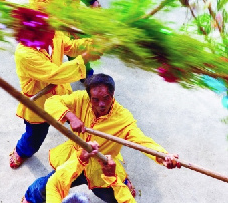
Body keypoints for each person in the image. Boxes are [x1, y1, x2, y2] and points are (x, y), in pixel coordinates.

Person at [21, 74, 181, 202]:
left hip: (103, 168)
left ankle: (122, 182)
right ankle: (30, 198)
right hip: (75, 160)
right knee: (45, 186)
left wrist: (162, 156)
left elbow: (142, 141)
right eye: (95, 100)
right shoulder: (80, 99)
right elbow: (52, 102)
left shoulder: (123, 117)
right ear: (89, 97)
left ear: (113, 95)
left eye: (106, 98)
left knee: (115, 197)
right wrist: (71, 116)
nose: (101, 104)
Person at [9, 28, 101, 169]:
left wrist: (92, 44)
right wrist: (84, 60)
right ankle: (22, 151)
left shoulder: (54, 33)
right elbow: (54, 74)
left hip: (60, 94)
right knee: (35, 134)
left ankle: (91, 148)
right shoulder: (25, 54)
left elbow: (70, 46)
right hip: (39, 105)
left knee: (82, 120)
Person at [21, 141, 137, 203]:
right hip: (101, 174)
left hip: (88, 168)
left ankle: (31, 197)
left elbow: (54, 184)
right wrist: (113, 179)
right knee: (116, 198)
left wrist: (80, 160)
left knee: (46, 186)